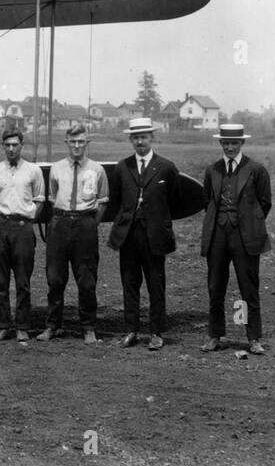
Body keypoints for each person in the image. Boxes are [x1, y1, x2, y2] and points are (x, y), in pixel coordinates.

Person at [107, 117, 181, 351]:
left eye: (144, 137)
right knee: (129, 283)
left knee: (156, 284)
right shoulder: (122, 167)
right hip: (129, 235)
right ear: (131, 139)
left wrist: (159, 221)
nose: (140, 141)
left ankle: (157, 332)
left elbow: (175, 202)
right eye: (136, 137)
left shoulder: (166, 167)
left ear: (152, 138)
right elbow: (116, 201)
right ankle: (131, 330)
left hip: (155, 236)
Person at [200, 123, 272, 355]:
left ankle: (252, 338)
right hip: (218, 236)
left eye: (234, 143)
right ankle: (215, 335)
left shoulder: (256, 169)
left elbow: (264, 203)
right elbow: (207, 202)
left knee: (247, 288)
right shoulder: (213, 170)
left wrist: (247, 223)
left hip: (245, 237)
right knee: (215, 286)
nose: (230, 147)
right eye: (226, 143)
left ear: (242, 143)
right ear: (220, 143)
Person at [40, 123, 110, 345]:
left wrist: (89, 224)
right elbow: (52, 197)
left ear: (87, 143)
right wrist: (61, 221)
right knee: (55, 278)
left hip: (85, 225)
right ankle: (53, 325)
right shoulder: (57, 167)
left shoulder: (97, 169)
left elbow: (102, 202)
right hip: (60, 223)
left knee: (87, 279)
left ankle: (88, 328)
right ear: (67, 143)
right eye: (73, 142)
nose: (77, 146)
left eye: (81, 142)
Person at [0, 129, 45, 343]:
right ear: (3, 146)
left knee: (23, 280)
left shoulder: (33, 171)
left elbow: (39, 200)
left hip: (23, 228)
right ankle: (2, 326)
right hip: (0, 227)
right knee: (1, 281)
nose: (11, 149)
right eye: (7, 145)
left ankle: (22, 326)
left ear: (21, 145)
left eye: (15, 145)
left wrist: (27, 220)